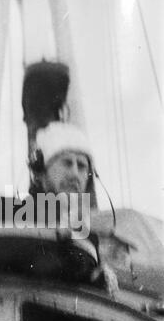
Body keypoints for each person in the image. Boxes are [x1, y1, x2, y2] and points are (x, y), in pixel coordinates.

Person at [29, 121, 119, 299]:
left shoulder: (88, 237)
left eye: (82, 166)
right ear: (40, 172)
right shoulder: (9, 211)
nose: (75, 174)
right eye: (67, 163)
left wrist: (99, 277)